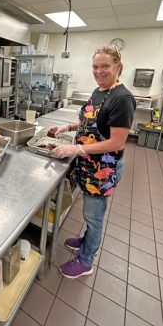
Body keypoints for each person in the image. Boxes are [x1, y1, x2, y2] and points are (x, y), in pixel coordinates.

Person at [50, 45, 136, 279]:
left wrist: (77, 148)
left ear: (118, 67)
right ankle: (85, 241)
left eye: (105, 66)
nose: (99, 71)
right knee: (91, 214)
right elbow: (91, 122)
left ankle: (86, 261)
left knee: (94, 218)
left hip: (103, 169)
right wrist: (66, 127)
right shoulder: (100, 91)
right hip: (88, 165)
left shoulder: (122, 98)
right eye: (95, 67)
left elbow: (117, 142)